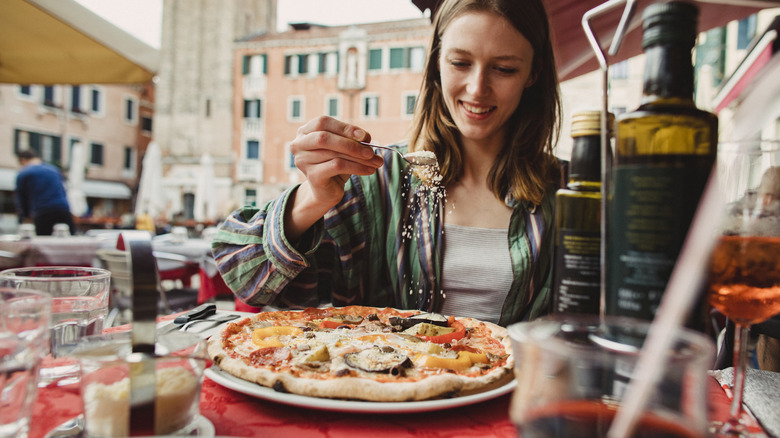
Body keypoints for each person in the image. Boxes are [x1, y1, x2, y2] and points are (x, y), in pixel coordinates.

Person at [212, 0, 562, 326]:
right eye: (460, 63)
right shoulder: (377, 181)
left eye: (504, 69)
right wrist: (312, 198)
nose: (477, 88)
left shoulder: (569, 192)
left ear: (533, 73)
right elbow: (243, 276)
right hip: (387, 385)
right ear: (437, 62)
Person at [15, 149, 76, 236]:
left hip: (42, 210)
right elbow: (64, 190)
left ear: (23, 160)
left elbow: (22, 198)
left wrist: (25, 216)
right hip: (63, 208)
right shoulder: (54, 170)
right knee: (71, 239)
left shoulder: (24, 173)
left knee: (43, 242)